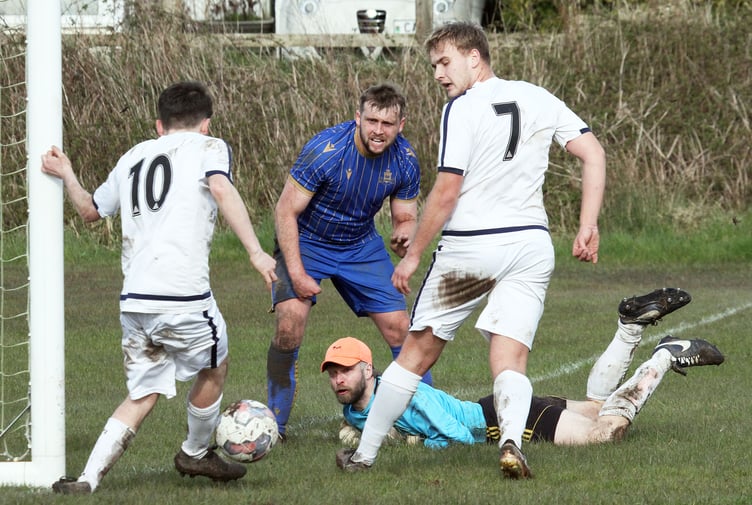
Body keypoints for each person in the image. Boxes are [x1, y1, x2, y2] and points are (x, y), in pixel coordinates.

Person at [336, 22, 607, 479]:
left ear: (474, 57)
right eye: (435, 66)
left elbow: (446, 191)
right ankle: (510, 444)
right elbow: (593, 153)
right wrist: (587, 225)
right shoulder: (539, 96)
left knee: (416, 353)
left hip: (471, 252)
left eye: (445, 62)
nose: (440, 75)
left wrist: (415, 253)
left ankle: (363, 456)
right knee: (510, 360)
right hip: (529, 247)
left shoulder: (462, 107)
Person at [41, 81, 277, 494]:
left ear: (158, 125)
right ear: (206, 125)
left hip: (135, 301)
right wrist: (256, 252)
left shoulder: (133, 155)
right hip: (183, 296)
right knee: (216, 363)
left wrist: (67, 173)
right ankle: (196, 451)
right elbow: (221, 188)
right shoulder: (210, 147)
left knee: (143, 392)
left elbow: (91, 211)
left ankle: (87, 479)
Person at [325, 289, 724, 450]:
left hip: (504, 419)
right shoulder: (356, 406)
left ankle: (665, 356)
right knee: (597, 406)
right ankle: (629, 327)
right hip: (502, 406)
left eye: (345, 370)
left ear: (368, 369)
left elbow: (459, 436)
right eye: (332, 372)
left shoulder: (402, 390)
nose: (338, 379)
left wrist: (421, 445)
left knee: (605, 433)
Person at [267, 83, 432, 440]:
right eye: (371, 120)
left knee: (402, 328)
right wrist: (295, 272)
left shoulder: (405, 159)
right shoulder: (326, 150)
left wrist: (404, 233)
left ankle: (426, 421)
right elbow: (285, 210)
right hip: (307, 240)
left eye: (387, 124)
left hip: (360, 243)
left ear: (400, 124)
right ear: (358, 117)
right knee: (289, 326)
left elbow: (406, 215)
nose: (378, 130)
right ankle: (273, 427)